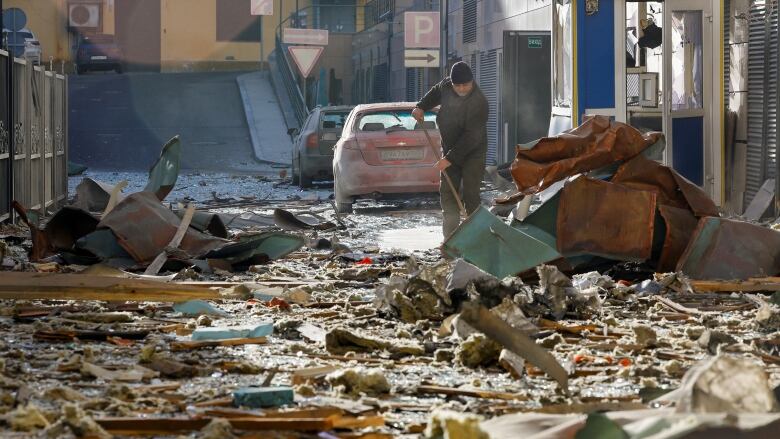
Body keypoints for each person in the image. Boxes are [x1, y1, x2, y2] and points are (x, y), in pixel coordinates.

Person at [412, 61, 489, 239]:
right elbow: (435, 92)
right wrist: (421, 106)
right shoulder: (446, 86)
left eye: (465, 85)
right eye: (458, 86)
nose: (462, 89)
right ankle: (451, 240)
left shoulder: (480, 102)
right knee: (448, 194)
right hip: (449, 149)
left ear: (472, 82)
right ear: (452, 84)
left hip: (473, 153)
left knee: (471, 193)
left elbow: (472, 138)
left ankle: (476, 238)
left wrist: (449, 158)